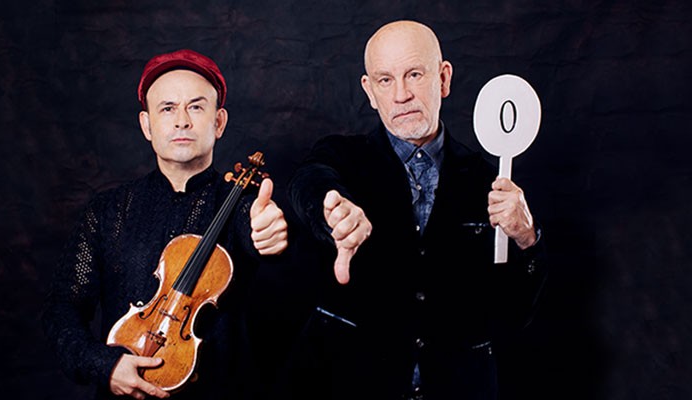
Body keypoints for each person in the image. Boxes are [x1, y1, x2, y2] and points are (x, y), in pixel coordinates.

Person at [284, 20, 547, 400]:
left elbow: (514, 316)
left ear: (443, 78)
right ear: (369, 91)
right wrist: (331, 211)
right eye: (385, 80)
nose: (402, 95)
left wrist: (527, 240)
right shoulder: (342, 159)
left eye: (414, 74)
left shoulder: (491, 185)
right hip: (349, 384)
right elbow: (309, 179)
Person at [42, 49, 288, 400]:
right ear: (147, 125)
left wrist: (273, 241)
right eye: (168, 108)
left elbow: (282, 282)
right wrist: (104, 364)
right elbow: (62, 308)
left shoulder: (246, 210)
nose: (182, 121)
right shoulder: (107, 211)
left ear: (218, 122)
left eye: (196, 107)